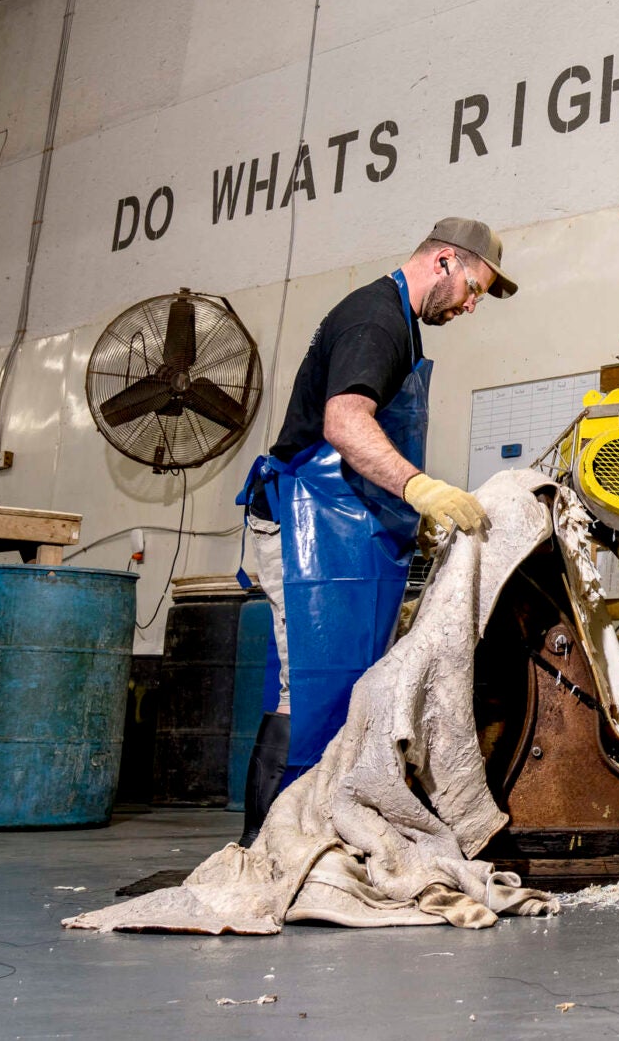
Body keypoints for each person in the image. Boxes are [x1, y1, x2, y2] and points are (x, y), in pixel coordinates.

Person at [233, 218, 514, 843]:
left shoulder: (400, 324)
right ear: (444, 261)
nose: (472, 305)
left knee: (342, 692)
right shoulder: (376, 320)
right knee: (305, 690)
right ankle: (267, 847)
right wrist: (421, 487)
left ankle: (317, 832)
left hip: (348, 530)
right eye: (474, 287)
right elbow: (344, 422)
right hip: (311, 526)